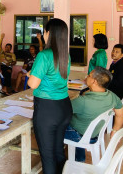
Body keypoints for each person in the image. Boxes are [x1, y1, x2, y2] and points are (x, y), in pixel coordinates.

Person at [27, 18, 72, 174]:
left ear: (48, 33)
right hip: (64, 107)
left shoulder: (44, 55)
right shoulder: (65, 55)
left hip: (47, 110)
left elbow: (33, 84)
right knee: (58, 149)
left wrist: (31, 75)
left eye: (45, 32)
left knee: (47, 156)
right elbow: (55, 76)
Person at [65, 67, 123, 162]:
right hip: (94, 134)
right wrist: (114, 130)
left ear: (95, 82)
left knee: (54, 124)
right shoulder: (112, 96)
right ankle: (79, 158)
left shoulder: (82, 102)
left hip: (77, 135)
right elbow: (120, 114)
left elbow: (62, 110)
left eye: (89, 75)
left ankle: (57, 159)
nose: (86, 76)